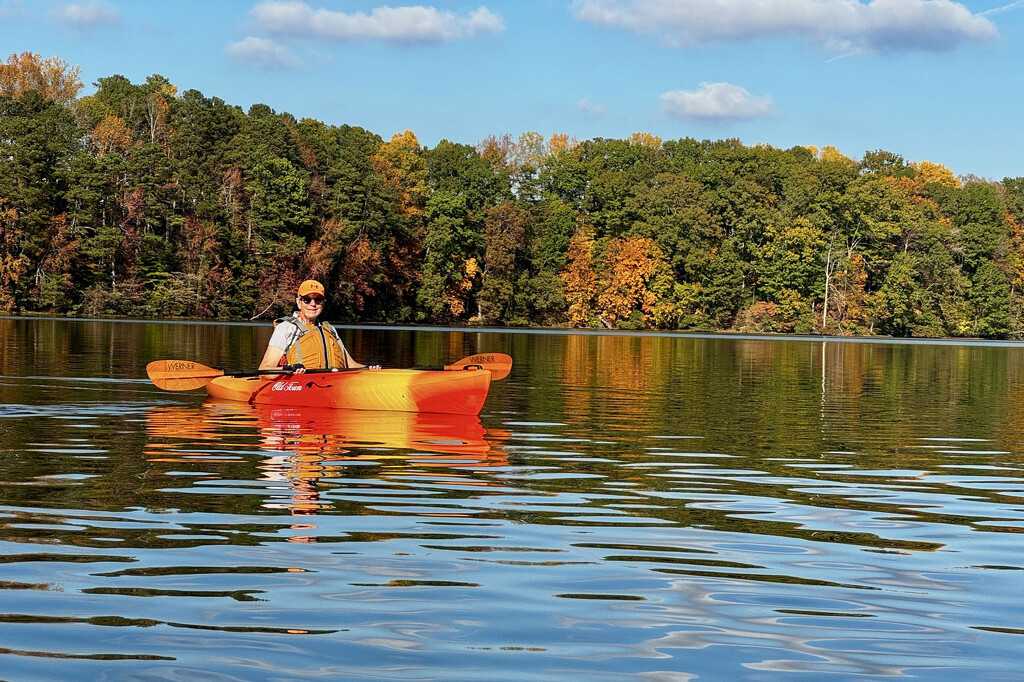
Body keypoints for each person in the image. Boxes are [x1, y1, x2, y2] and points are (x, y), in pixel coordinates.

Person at [258, 280, 378, 376]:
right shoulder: (286, 328)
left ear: (323, 304)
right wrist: (288, 368)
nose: (313, 304)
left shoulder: (329, 329)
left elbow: (350, 364)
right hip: (299, 384)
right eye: (307, 299)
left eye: (318, 300)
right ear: (299, 302)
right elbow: (265, 370)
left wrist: (367, 368)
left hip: (331, 382)